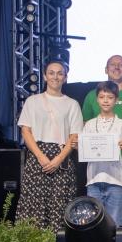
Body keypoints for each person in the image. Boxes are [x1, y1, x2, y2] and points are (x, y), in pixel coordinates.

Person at [17, 60, 83, 231]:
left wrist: (58, 160)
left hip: (62, 159)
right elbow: (26, 131)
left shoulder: (72, 104)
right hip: (37, 157)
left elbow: (74, 136)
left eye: (60, 73)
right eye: (51, 73)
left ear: (65, 78)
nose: (56, 76)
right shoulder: (32, 101)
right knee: (34, 206)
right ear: (45, 76)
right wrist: (41, 157)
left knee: (60, 205)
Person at [82, 55, 122, 227]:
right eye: (112, 64)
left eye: (121, 64)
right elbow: (85, 128)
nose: (116, 67)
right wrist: (81, 146)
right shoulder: (91, 96)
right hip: (94, 174)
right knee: (94, 220)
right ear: (105, 69)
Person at [78, 81, 122, 226]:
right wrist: (78, 146)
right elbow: (84, 153)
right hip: (93, 181)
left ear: (116, 100)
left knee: (114, 224)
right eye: (102, 97)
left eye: (110, 97)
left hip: (115, 182)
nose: (106, 101)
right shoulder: (89, 125)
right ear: (97, 99)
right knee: (92, 224)